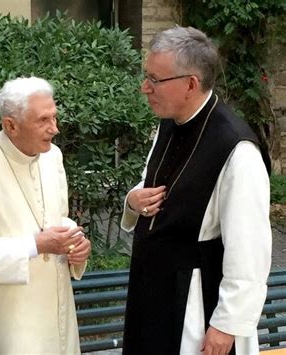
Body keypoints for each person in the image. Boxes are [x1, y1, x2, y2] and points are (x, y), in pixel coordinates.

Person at [121, 26, 271, 355]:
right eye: (146, 76)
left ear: (190, 83)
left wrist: (226, 325)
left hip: (195, 305)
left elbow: (250, 250)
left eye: (155, 80)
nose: (145, 88)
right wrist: (133, 202)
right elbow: (158, 181)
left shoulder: (237, 149)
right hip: (152, 290)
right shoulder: (170, 122)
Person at [0, 76, 91, 354]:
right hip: (7, 321)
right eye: (43, 121)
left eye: (54, 117)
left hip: (55, 308)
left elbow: (58, 218)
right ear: (10, 125)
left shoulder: (53, 157)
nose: (55, 129)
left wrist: (77, 244)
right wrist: (35, 245)